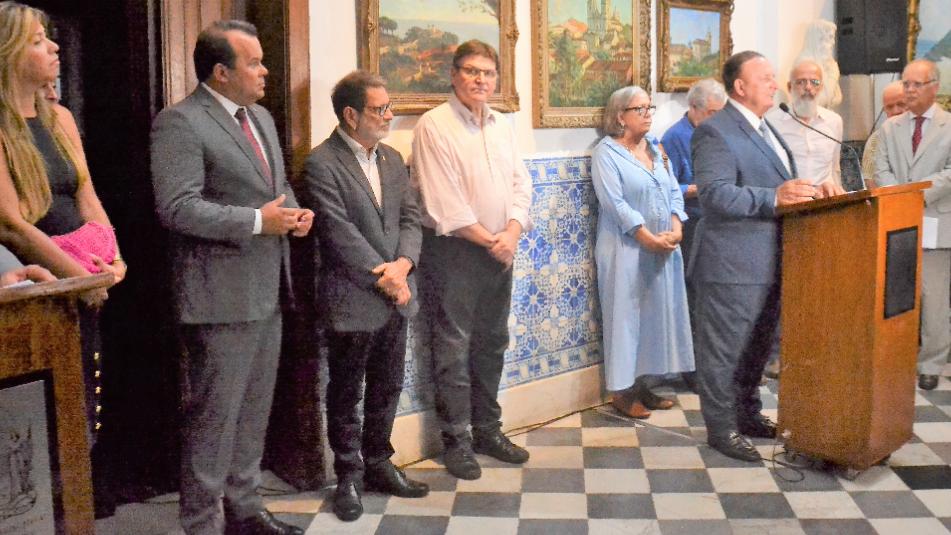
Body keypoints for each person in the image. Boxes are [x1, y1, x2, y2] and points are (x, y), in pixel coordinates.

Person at [150, 19, 312, 535]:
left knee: (254, 410)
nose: (265, 72)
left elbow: (274, 188)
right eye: (254, 63)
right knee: (214, 418)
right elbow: (177, 208)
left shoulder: (260, 117)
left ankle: (245, 509)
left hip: (269, 289)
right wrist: (258, 222)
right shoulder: (179, 122)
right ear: (220, 72)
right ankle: (202, 522)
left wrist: (295, 213)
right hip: (219, 298)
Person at [0, 3, 126, 512]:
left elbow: (87, 195)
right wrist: (80, 280)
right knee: (45, 421)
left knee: (84, 408)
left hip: (84, 284)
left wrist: (114, 258)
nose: (54, 47)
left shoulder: (61, 118)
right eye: (37, 40)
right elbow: (10, 223)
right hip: (37, 294)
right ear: (7, 52)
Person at [690, 50, 843, 462]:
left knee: (756, 347)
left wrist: (813, 190)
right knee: (724, 352)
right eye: (766, 78)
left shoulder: (767, 125)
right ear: (740, 86)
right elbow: (715, 195)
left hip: (771, 259)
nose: (775, 85)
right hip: (731, 265)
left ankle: (747, 414)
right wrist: (773, 197)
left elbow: (778, 185)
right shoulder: (715, 131)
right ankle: (721, 429)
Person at [301, 71, 428, 522]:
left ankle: (379, 463)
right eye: (380, 109)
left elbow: (410, 218)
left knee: (387, 385)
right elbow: (338, 232)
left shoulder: (392, 159)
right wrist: (385, 275)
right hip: (353, 298)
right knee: (346, 390)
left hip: (396, 294)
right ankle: (348, 477)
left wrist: (404, 265)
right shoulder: (322, 163)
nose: (390, 115)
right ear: (351, 115)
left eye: (389, 106)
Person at [412, 39, 532, 480]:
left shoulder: (502, 124)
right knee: (453, 347)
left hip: (500, 248)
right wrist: (492, 241)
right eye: (471, 71)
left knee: (492, 343)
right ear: (454, 75)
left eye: (488, 73)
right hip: (455, 252)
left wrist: (512, 232)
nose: (481, 80)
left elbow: (521, 184)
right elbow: (444, 203)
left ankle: (487, 430)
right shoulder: (434, 125)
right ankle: (457, 441)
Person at [592, 86, 695, 419]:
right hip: (625, 249)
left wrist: (677, 227)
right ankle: (621, 392)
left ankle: (642, 384)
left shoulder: (654, 147)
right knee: (626, 318)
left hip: (661, 246)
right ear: (620, 116)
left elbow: (673, 190)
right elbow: (615, 204)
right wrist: (645, 236)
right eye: (640, 109)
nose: (648, 114)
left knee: (653, 317)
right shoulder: (606, 154)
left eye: (650, 107)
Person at [874, 59, 951, 392]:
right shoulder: (890, 128)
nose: (908, 90)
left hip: (936, 219)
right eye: (905, 83)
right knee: (897, 295)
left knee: (934, 299)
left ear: (934, 87)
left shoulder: (949, 125)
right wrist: (900, 197)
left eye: (916, 84)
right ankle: (896, 356)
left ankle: (931, 364)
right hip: (897, 219)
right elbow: (881, 168)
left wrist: (918, 194)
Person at [767, 59, 843, 189]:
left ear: (821, 87)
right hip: (790, 197)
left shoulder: (834, 121)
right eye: (801, 82)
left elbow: (834, 167)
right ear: (789, 87)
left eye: (814, 82)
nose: (808, 87)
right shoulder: (772, 122)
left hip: (825, 197)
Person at [862, 81, 906, 180]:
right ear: (884, 110)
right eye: (889, 107)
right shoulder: (875, 140)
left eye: (901, 104)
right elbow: (870, 180)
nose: (895, 111)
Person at [795, 20, 842, 108]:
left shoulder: (827, 63)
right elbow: (817, 101)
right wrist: (833, 75)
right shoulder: (804, 65)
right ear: (817, 39)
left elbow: (837, 98)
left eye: (832, 38)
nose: (833, 43)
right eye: (829, 38)